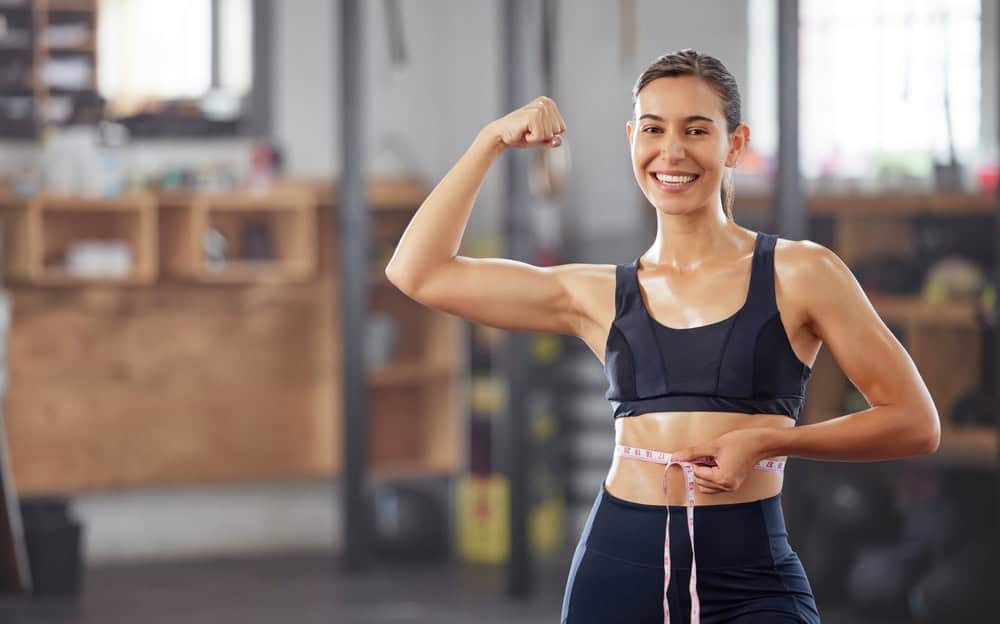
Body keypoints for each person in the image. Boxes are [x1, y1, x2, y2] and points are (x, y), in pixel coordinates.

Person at [385, 48, 941, 624]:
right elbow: (418, 272)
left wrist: (767, 442)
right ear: (633, 140)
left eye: (696, 130)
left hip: (751, 574)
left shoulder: (800, 272)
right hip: (617, 567)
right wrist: (490, 141)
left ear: (735, 144)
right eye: (653, 129)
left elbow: (914, 422)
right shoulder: (597, 293)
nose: (672, 151)